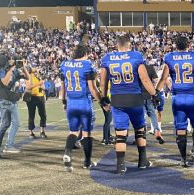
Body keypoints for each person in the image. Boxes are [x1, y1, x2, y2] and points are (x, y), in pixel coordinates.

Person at [100, 35, 159, 175]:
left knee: (120, 133)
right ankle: (142, 161)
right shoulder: (136, 56)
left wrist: (103, 98)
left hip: (117, 99)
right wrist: (154, 94)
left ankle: (120, 166)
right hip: (134, 98)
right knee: (140, 129)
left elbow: (103, 82)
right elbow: (144, 79)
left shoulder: (108, 58)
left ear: (117, 45)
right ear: (129, 45)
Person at [156, 36, 194, 168]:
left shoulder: (169, 57)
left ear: (175, 45)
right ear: (188, 45)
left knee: (180, 129)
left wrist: (156, 93)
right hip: (193, 97)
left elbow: (163, 78)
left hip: (177, 98)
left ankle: (183, 159)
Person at [59, 44, 103, 172]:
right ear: (85, 54)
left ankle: (67, 153)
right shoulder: (87, 65)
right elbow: (93, 89)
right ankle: (87, 162)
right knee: (86, 133)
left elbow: (63, 87)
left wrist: (64, 102)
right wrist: (102, 101)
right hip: (84, 102)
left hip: (71, 103)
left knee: (73, 132)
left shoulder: (64, 65)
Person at [0, 54, 29, 158]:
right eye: (11, 60)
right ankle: (8, 145)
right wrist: (11, 69)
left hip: (8, 99)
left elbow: (27, 77)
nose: (12, 61)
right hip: (4, 100)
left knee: (5, 124)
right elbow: (5, 82)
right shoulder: (2, 70)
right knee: (15, 123)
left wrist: (23, 67)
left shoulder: (13, 70)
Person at [143, 64, 165, 144]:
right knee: (152, 114)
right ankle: (157, 131)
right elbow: (156, 81)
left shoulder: (136, 68)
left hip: (138, 95)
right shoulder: (150, 68)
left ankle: (142, 136)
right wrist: (154, 92)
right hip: (149, 94)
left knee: (142, 117)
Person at [25, 67, 47, 139]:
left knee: (43, 114)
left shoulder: (38, 77)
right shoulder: (28, 76)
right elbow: (28, 87)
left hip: (40, 97)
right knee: (31, 115)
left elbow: (41, 87)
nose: (36, 71)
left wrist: (43, 90)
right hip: (32, 97)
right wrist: (39, 83)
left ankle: (42, 131)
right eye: (35, 70)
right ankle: (31, 132)